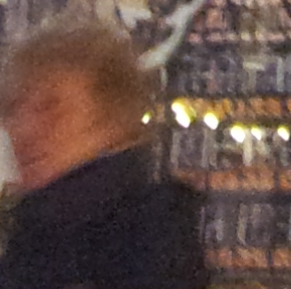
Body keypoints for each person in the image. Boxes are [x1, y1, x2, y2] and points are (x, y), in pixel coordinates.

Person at [0, 20, 206, 289]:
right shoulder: (41, 236)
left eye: (51, 107)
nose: (24, 129)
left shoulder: (141, 244)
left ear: (113, 123)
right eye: (13, 108)